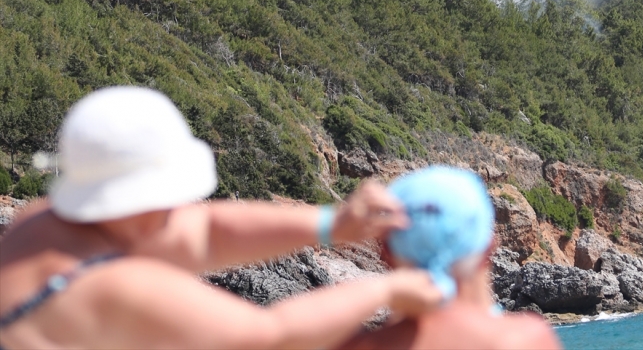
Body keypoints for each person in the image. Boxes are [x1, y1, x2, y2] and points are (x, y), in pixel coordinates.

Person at [0, 87, 442, 350]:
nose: (181, 209)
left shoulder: (42, 223)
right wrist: (384, 288)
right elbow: (272, 335)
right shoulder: (113, 285)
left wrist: (329, 225)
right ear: (142, 200)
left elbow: (206, 232)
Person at [338, 166, 560, 350]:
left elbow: (301, 325)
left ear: (386, 252)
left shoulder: (361, 345)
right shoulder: (524, 340)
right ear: (489, 248)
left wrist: (329, 227)